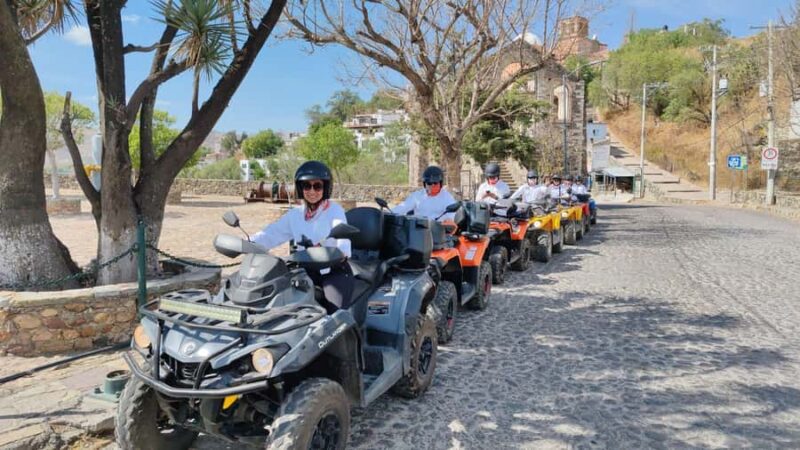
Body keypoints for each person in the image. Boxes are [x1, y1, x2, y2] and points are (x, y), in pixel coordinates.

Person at [251, 161, 354, 310]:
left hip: (333, 273)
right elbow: (271, 233)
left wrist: (331, 252)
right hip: (304, 272)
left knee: (335, 314)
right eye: (307, 186)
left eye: (317, 186)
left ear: (325, 187)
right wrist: (247, 242)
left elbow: (343, 242)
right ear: (300, 188)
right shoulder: (295, 214)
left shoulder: (335, 211)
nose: (312, 191)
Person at [392, 165, 457, 221]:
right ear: (424, 184)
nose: (432, 185)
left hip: (438, 231)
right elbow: (402, 208)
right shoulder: (417, 196)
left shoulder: (448, 198)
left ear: (441, 183)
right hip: (418, 231)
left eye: (435, 183)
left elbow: (451, 217)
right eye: (429, 183)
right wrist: (388, 214)